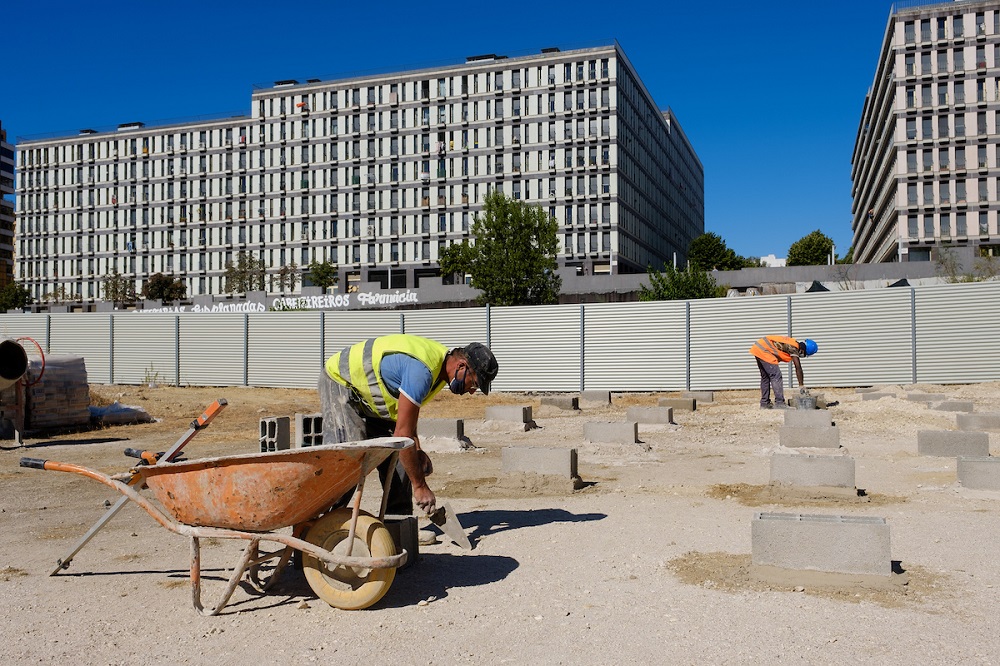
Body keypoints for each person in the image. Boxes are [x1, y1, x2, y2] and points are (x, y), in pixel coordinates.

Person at [319, 333, 499, 516]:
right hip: (341, 382)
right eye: (474, 384)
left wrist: (417, 451)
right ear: (462, 366)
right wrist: (420, 486)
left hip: (369, 398)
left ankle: (398, 527)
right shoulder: (422, 372)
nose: (471, 391)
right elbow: (402, 433)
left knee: (404, 458)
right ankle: (320, 522)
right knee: (349, 457)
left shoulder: (439, 373)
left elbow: (407, 422)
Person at [749, 335, 817, 409]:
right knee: (776, 375)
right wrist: (801, 385)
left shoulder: (792, 342)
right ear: (804, 350)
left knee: (765, 377)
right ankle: (779, 403)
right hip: (764, 350)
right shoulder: (794, 347)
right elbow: (798, 367)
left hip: (758, 348)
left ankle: (765, 403)